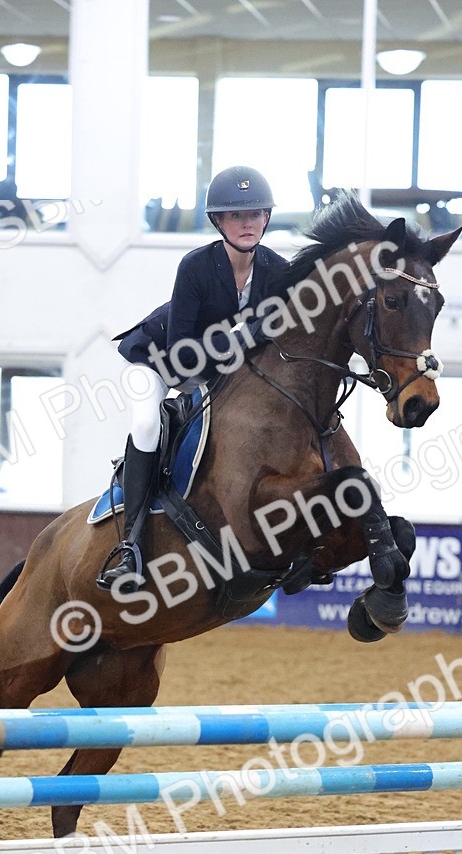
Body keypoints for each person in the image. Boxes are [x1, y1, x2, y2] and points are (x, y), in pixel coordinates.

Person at [97, 165, 288, 590]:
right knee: (148, 424)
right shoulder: (196, 266)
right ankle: (129, 545)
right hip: (160, 361)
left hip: (219, 370)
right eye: (236, 216)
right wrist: (240, 338)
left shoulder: (278, 270)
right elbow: (184, 356)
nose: (247, 223)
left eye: (255, 214)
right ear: (218, 221)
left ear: (267, 219)